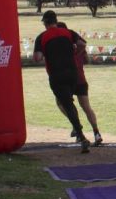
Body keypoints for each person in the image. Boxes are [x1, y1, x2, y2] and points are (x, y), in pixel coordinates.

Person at [32, 10, 90, 153]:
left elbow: (37, 57)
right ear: (56, 21)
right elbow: (82, 44)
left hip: (57, 75)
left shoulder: (42, 37)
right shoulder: (68, 32)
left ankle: (81, 136)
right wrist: (73, 53)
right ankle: (78, 130)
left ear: (45, 23)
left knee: (67, 104)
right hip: (72, 73)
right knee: (68, 102)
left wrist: (48, 55)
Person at [57, 22, 102, 146]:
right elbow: (87, 61)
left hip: (67, 80)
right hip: (81, 79)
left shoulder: (60, 48)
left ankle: (76, 127)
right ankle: (97, 133)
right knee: (87, 108)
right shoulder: (78, 45)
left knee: (61, 103)